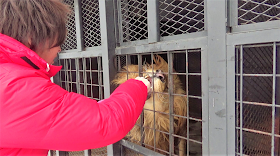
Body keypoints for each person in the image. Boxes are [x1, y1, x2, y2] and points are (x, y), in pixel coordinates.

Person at [0, 0, 151, 155]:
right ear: (32, 38)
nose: (59, 49)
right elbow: (107, 123)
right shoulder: (17, 87)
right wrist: (142, 83)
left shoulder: (8, 76)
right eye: (57, 42)